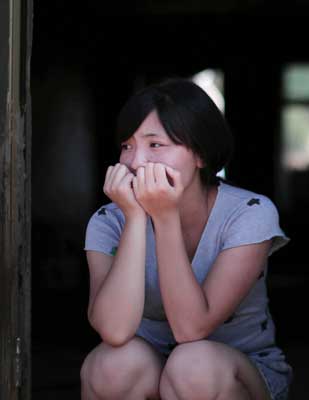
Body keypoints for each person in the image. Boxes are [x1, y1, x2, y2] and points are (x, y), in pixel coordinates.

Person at [80, 78, 293, 400]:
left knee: (192, 366)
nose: (136, 162)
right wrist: (136, 218)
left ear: (200, 155)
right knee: (112, 365)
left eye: (155, 145)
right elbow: (114, 330)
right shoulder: (109, 220)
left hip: (234, 371)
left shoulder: (249, 212)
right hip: (147, 366)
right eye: (127, 145)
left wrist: (165, 218)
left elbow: (190, 330)